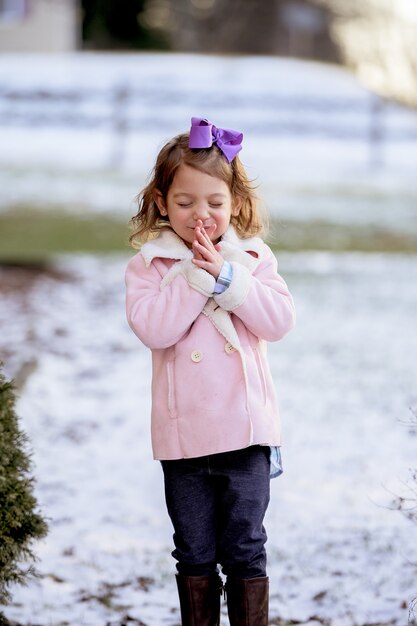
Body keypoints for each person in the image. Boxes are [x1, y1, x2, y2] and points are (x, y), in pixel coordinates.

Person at [125, 117, 295, 626]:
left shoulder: (252, 258)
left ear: (236, 205)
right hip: (184, 441)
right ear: (161, 202)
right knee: (194, 551)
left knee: (245, 547)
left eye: (215, 204)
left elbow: (278, 321)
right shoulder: (150, 266)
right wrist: (194, 279)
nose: (201, 216)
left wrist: (227, 276)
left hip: (247, 435)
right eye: (185, 203)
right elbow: (155, 329)